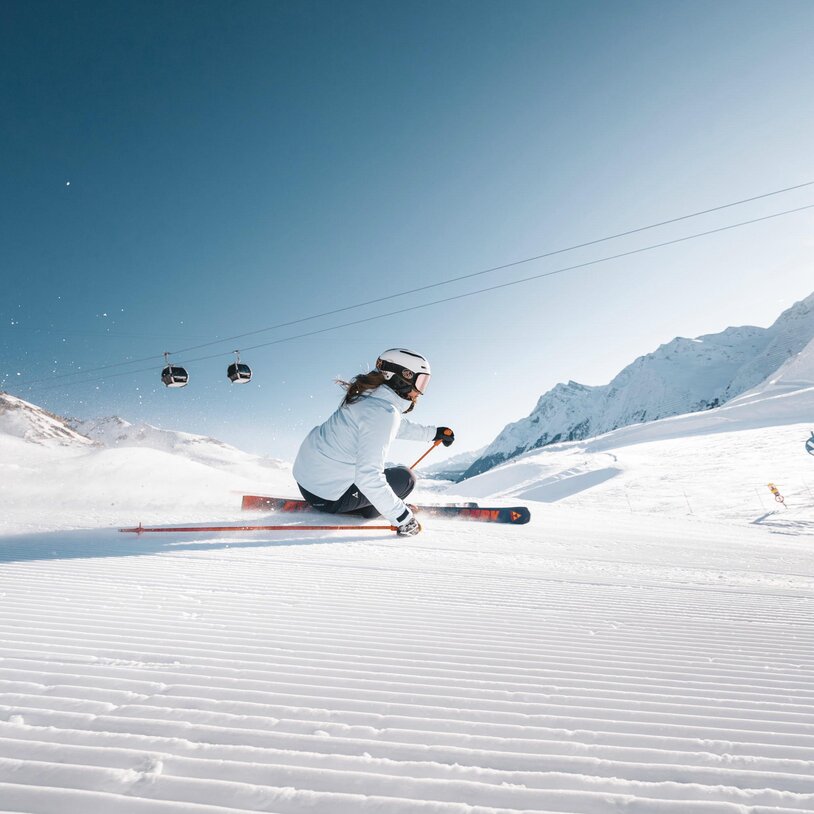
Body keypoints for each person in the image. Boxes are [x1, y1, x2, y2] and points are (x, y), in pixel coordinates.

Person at [293, 348, 455, 536]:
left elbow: (397, 427)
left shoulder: (366, 396)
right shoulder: (383, 413)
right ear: (403, 377)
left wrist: (434, 433)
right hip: (328, 498)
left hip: (307, 482)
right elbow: (368, 476)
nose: (420, 392)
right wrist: (403, 518)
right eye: (420, 382)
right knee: (405, 478)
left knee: (387, 479)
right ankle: (379, 507)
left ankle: (379, 504)